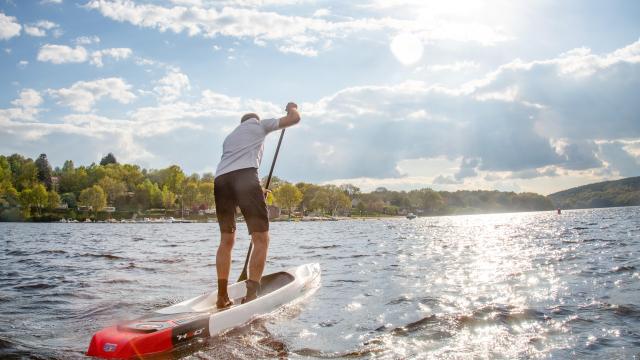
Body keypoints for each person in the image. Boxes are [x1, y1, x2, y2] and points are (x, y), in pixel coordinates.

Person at [214, 102, 301, 308]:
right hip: (244, 177)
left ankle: (222, 296)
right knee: (260, 238)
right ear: (255, 119)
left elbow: (234, 171)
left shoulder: (230, 137)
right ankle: (251, 295)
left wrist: (257, 190)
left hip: (220, 180)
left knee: (226, 240)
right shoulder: (259, 125)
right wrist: (292, 108)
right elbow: (294, 119)